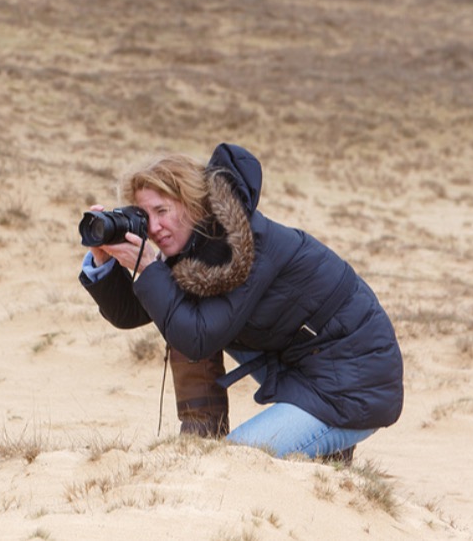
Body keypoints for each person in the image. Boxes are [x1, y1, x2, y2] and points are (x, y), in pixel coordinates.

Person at [78, 143, 404, 463]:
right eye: (143, 215)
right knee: (177, 311)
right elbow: (130, 313)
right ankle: (200, 435)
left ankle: (326, 443)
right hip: (307, 365)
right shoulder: (194, 244)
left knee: (231, 464)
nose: (154, 227)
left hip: (354, 386)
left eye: (162, 211)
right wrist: (103, 260)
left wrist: (149, 267)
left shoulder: (245, 246)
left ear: (193, 204)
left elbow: (196, 338)